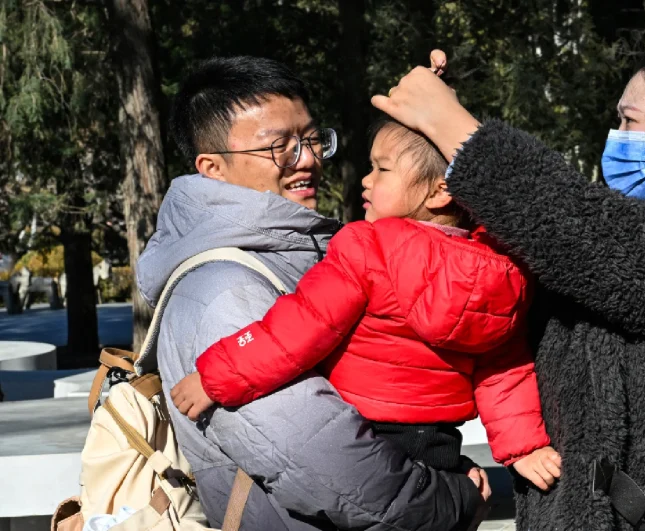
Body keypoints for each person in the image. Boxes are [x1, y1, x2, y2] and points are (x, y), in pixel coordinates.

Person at [371, 38, 645, 531]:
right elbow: (528, 261)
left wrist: (450, 123)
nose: (616, 136)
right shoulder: (633, 239)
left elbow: (578, 228)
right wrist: (433, 144)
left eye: (630, 121)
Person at [136, 56, 486, 531]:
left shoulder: (311, 250)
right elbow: (326, 464)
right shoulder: (221, 290)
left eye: (311, 138)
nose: (307, 159)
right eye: (279, 146)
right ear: (212, 167)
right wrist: (447, 499)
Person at [171, 116, 562, 491]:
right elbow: (505, 369)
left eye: (382, 169)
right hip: (439, 443)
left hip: (362, 431)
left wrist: (215, 378)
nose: (366, 179)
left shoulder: (366, 247)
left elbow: (297, 328)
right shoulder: (503, 274)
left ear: (439, 191)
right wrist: (524, 448)